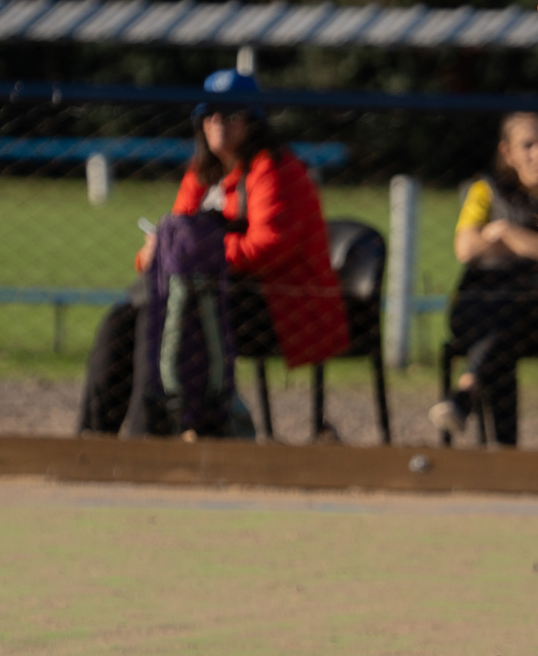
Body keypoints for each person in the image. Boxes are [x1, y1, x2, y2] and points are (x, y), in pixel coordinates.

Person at [77, 70, 347, 436]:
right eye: (210, 115)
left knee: (154, 321)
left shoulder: (278, 171)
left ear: (254, 121)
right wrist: (156, 254)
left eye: (231, 115)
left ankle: (151, 433)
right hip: (207, 293)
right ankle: (93, 438)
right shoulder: (200, 174)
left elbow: (267, 248)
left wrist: (192, 253)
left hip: (275, 302)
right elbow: (173, 246)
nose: (219, 123)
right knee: (121, 320)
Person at [428, 112, 538, 447]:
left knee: (508, 309)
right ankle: (501, 446)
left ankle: (466, 394)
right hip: (480, 304)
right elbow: (466, 248)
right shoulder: (486, 191)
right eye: (528, 145)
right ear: (507, 153)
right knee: (501, 319)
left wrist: (506, 234)